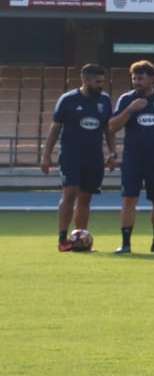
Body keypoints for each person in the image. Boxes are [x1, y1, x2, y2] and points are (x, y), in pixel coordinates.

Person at [41, 63, 116, 252]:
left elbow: (108, 129)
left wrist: (112, 153)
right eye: (97, 82)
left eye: (102, 81)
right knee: (70, 193)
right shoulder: (68, 100)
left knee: (85, 198)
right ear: (85, 80)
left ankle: (80, 239)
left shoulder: (105, 101)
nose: (101, 85)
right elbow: (55, 128)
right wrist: (46, 154)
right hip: (71, 155)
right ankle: (62, 239)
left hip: (94, 156)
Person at [109, 61, 154, 254]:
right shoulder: (127, 99)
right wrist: (130, 110)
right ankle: (126, 243)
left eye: (141, 78)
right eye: (134, 78)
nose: (136, 81)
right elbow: (112, 126)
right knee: (129, 199)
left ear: (152, 79)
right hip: (133, 159)